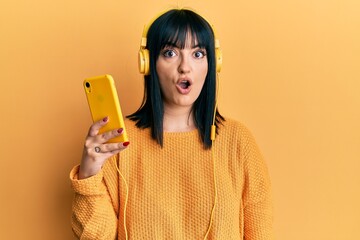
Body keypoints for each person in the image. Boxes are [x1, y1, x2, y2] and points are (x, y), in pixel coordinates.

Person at [70, 8, 274, 239]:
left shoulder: (238, 140)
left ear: (213, 64)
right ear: (148, 64)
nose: (184, 67)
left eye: (198, 54)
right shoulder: (118, 141)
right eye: (170, 53)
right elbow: (97, 236)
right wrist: (89, 173)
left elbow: (260, 233)